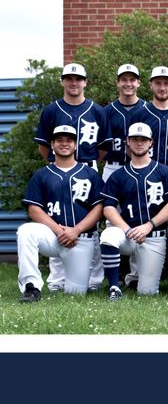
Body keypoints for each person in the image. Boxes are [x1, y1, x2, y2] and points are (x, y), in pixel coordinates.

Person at [34, 63, 109, 292]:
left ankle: (94, 279)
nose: (74, 83)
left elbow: (103, 148)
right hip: (58, 169)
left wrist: (86, 164)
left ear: (85, 82)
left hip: (87, 168)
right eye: (69, 79)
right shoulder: (51, 110)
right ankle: (58, 280)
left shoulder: (97, 110)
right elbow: (43, 147)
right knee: (59, 219)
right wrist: (57, 164)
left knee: (90, 223)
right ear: (62, 82)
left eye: (78, 79)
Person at [18, 126, 104, 301]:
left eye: (69, 140)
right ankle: (31, 287)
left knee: (76, 293)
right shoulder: (41, 175)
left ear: (76, 145)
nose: (64, 143)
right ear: (52, 144)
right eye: (59, 140)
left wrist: (76, 230)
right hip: (52, 237)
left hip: (81, 239)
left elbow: (99, 208)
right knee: (26, 232)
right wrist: (59, 230)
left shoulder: (91, 174)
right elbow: (34, 209)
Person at [99, 122, 168, 300]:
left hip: (154, 236)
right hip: (127, 235)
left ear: (151, 142)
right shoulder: (118, 175)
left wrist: (148, 225)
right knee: (108, 235)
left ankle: (139, 282)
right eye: (135, 139)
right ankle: (114, 287)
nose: (139, 143)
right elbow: (108, 208)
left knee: (147, 293)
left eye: (143, 139)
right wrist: (127, 230)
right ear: (127, 142)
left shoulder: (165, 172)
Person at [103, 63, 146, 182]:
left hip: (143, 166)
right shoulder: (106, 111)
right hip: (113, 167)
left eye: (132, 80)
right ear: (117, 82)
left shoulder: (148, 110)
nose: (128, 84)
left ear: (138, 83)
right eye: (124, 80)